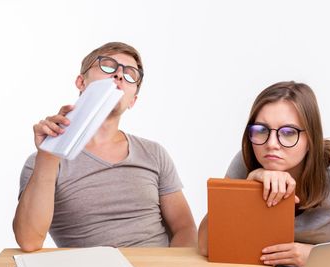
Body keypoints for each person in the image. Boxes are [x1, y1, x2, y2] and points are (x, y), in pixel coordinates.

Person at [198, 81, 330, 267]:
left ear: (310, 138)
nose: (271, 144)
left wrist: (317, 257)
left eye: (288, 133)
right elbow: (207, 245)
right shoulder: (247, 162)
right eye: (261, 130)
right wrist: (248, 184)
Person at [13, 42, 197, 252]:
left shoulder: (154, 154)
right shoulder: (45, 160)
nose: (119, 75)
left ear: (133, 101)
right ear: (81, 82)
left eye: (130, 74)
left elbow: (185, 228)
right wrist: (48, 156)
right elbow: (29, 241)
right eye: (108, 66)